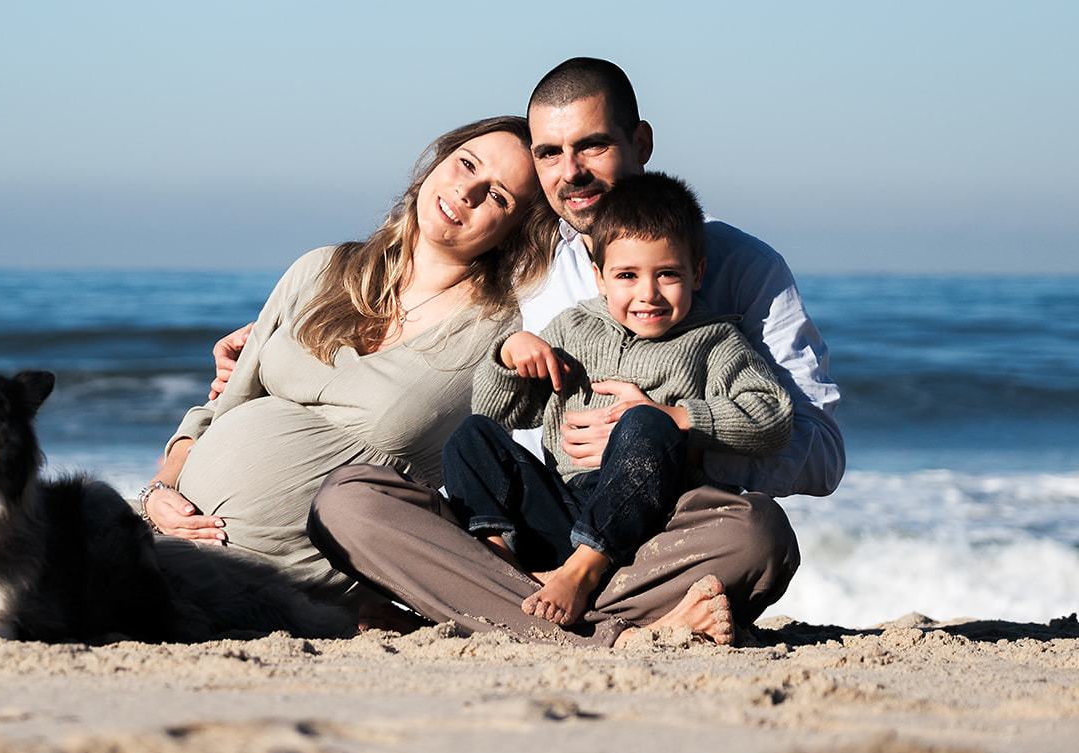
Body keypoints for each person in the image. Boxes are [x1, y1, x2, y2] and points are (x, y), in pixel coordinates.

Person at [301, 57, 843, 647]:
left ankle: (505, 612)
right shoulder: (522, 260)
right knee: (346, 501)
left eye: (593, 146)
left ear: (641, 142)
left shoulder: (743, 267)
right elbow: (410, 290)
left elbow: (820, 454)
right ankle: (619, 630)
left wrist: (667, 438)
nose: (571, 172)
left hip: (658, 535)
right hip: (531, 522)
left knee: (759, 536)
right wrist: (278, 331)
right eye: (549, 153)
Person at [137, 116, 554, 618]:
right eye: (465, 164)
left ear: (516, 229)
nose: (468, 190)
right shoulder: (318, 270)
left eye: (498, 196)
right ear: (435, 164)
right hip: (174, 535)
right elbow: (225, 406)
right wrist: (159, 492)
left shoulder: (500, 332)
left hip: (296, 581)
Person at [443, 171, 793, 631]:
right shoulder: (572, 329)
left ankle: (583, 572)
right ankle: (501, 564)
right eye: (627, 275)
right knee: (469, 437)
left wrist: (675, 417)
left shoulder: (714, 341)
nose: (647, 294)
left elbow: (773, 414)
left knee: (648, 424)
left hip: (646, 521)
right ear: (600, 278)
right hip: (563, 505)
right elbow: (497, 415)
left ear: (697, 273)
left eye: (667, 275)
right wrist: (510, 358)